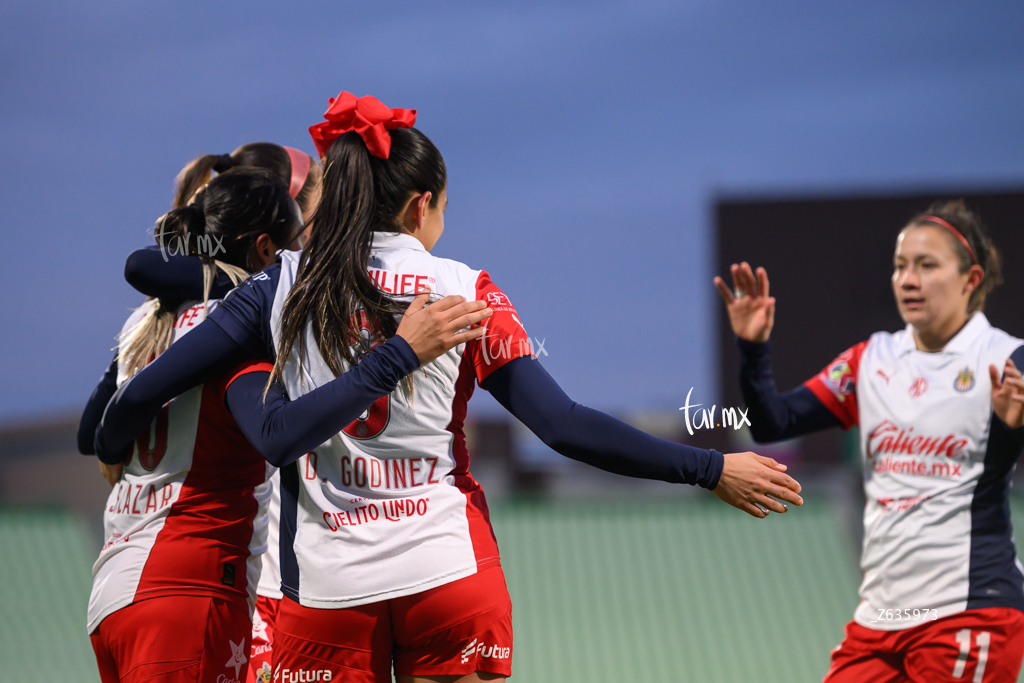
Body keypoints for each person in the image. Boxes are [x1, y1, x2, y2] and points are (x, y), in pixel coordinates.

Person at [96, 91, 803, 683]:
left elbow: (143, 387)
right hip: (447, 572)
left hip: (325, 593)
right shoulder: (465, 289)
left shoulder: (281, 287)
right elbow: (563, 424)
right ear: (419, 207)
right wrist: (709, 467)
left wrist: (115, 437)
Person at [714, 200, 1024, 683]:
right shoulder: (872, 359)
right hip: (879, 622)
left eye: (927, 265)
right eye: (901, 266)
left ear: (971, 279)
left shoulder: (1007, 360)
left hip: (969, 610)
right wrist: (753, 351)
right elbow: (772, 423)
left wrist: (1012, 427)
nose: (908, 279)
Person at [76, 143, 322, 683]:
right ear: (264, 250)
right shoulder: (238, 329)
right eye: (297, 241)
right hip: (190, 584)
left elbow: (92, 433)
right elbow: (273, 434)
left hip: (119, 582)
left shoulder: (147, 323)